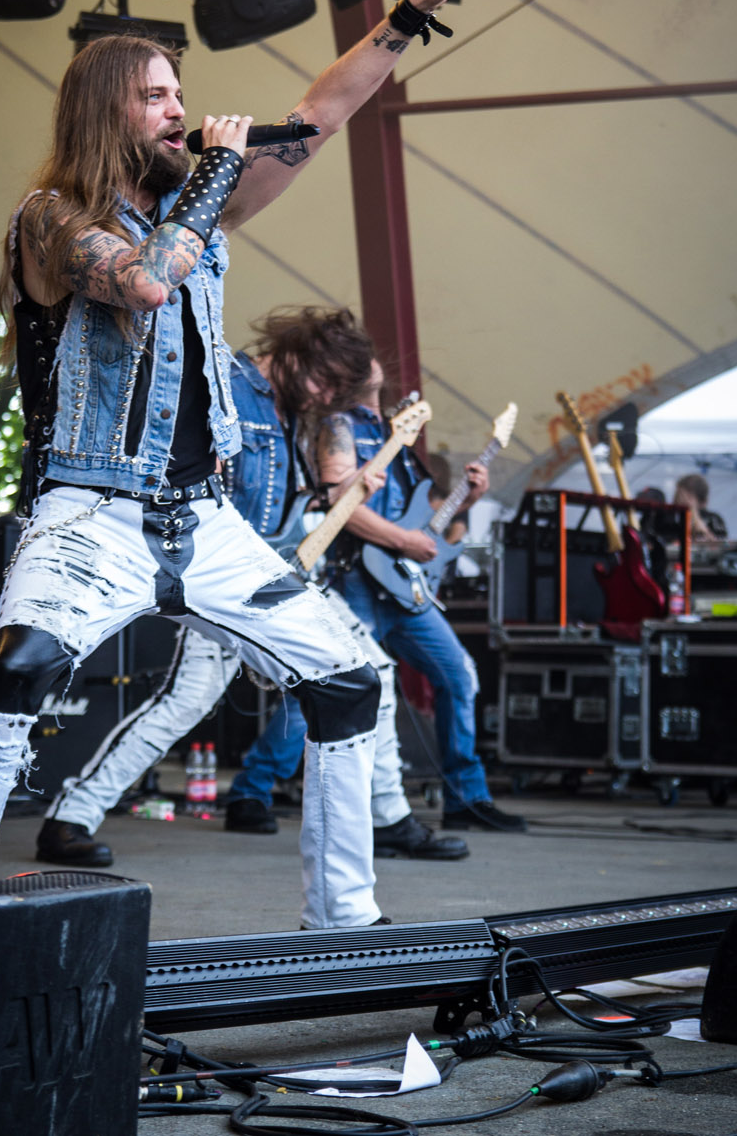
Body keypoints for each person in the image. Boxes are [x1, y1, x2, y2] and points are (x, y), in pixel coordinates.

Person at [0, 0, 488, 929]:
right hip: (91, 510)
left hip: (202, 515)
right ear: (106, 112)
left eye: (183, 93)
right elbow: (139, 283)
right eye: (156, 97)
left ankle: (345, 924)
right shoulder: (53, 219)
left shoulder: (201, 204)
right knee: (20, 673)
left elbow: (320, 111)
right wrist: (215, 171)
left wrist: (407, 12)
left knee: (352, 676)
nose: (182, 110)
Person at [34, 307, 467, 867]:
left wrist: (332, 495)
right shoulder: (227, 386)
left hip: (271, 571)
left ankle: (388, 818)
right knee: (183, 703)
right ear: (293, 353)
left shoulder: (292, 409)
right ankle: (71, 817)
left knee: (370, 670)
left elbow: (280, 510)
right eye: (324, 381)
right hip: (218, 573)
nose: (325, 396)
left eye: (337, 390)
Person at [317, 360, 527, 834]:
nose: (370, 360)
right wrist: (404, 542)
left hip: (404, 586)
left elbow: (430, 528)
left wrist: (467, 502)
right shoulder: (339, 426)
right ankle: (254, 786)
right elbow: (343, 507)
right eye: (358, 356)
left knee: (458, 675)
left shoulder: (401, 433)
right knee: (334, 680)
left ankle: (466, 800)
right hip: (358, 578)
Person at [674, 473, 728, 544]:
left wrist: (693, 514)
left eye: (688, 497)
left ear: (702, 501)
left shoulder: (713, 519)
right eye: (678, 495)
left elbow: (720, 544)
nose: (679, 499)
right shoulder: (672, 517)